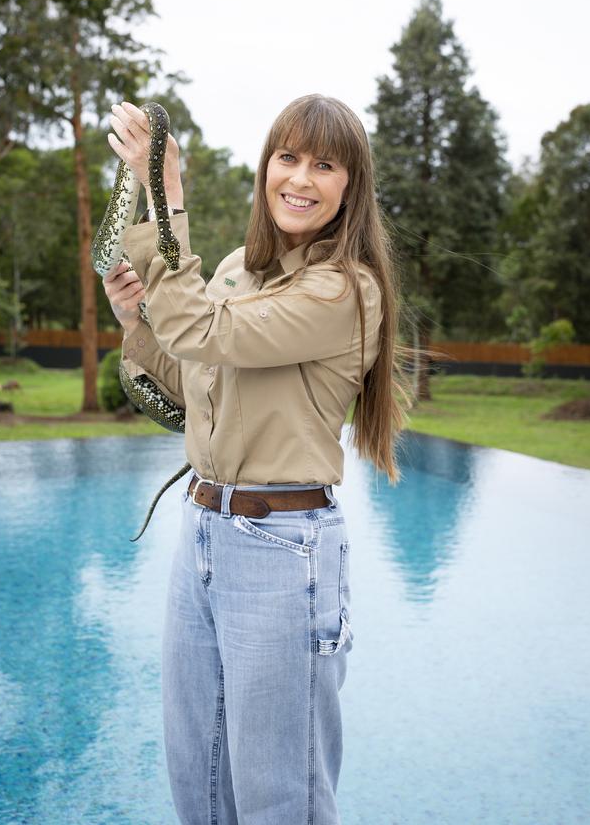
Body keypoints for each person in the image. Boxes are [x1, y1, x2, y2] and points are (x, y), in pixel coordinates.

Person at [103, 93, 410, 824]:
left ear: (350, 187)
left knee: (280, 799)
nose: (301, 178)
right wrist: (134, 324)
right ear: (267, 167)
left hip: (282, 551)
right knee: (200, 783)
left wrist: (163, 189)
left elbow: (203, 330)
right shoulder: (242, 269)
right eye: (288, 156)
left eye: (325, 165)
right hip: (203, 532)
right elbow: (194, 378)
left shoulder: (344, 289)